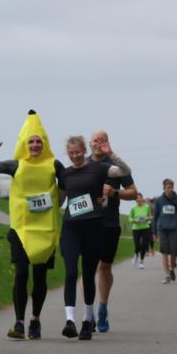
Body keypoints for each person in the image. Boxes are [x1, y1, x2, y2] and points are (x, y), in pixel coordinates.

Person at [0, 110, 63, 340]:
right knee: (21, 274)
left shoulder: (54, 165)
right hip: (20, 229)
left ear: (45, 143)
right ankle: (19, 322)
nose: (35, 145)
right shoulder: (15, 165)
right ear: (24, 143)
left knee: (39, 277)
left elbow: (72, 181)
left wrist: (61, 200)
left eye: (39, 141)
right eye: (31, 141)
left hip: (45, 230)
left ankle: (35, 320)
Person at [57, 135, 131, 340]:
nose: (74, 156)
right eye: (71, 153)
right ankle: (70, 320)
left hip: (94, 227)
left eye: (77, 152)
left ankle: (87, 319)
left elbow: (125, 171)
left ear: (84, 150)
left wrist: (110, 154)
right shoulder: (65, 174)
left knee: (89, 275)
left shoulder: (99, 169)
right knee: (71, 272)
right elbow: (59, 200)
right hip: (71, 228)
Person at [91, 130, 138, 332]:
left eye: (102, 140)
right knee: (88, 267)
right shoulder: (83, 164)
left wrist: (116, 192)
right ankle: (88, 312)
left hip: (109, 223)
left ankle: (102, 307)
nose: (98, 143)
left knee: (104, 267)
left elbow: (134, 193)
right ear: (90, 142)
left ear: (108, 144)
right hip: (87, 222)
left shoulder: (116, 167)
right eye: (95, 139)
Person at [153, 179, 177, 284]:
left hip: (173, 229)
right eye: (168, 187)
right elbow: (155, 217)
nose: (170, 189)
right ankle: (167, 275)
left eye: (172, 187)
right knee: (164, 252)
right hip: (162, 229)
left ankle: (172, 269)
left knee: (174, 252)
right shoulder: (159, 200)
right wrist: (154, 232)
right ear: (164, 188)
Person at [129, 194, 153, 268]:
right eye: (137, 198)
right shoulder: (133, 208)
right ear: (135, 200)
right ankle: (136, 255)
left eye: (140, 198)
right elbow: (130, 218)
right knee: (137, 245)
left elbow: (151, 216)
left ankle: (141, 262)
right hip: (136, 228)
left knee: (143, 245)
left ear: (142, 199)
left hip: (145, 228)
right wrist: (134, 220)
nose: (139, 199)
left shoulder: (147, 207)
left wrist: (147, 218)